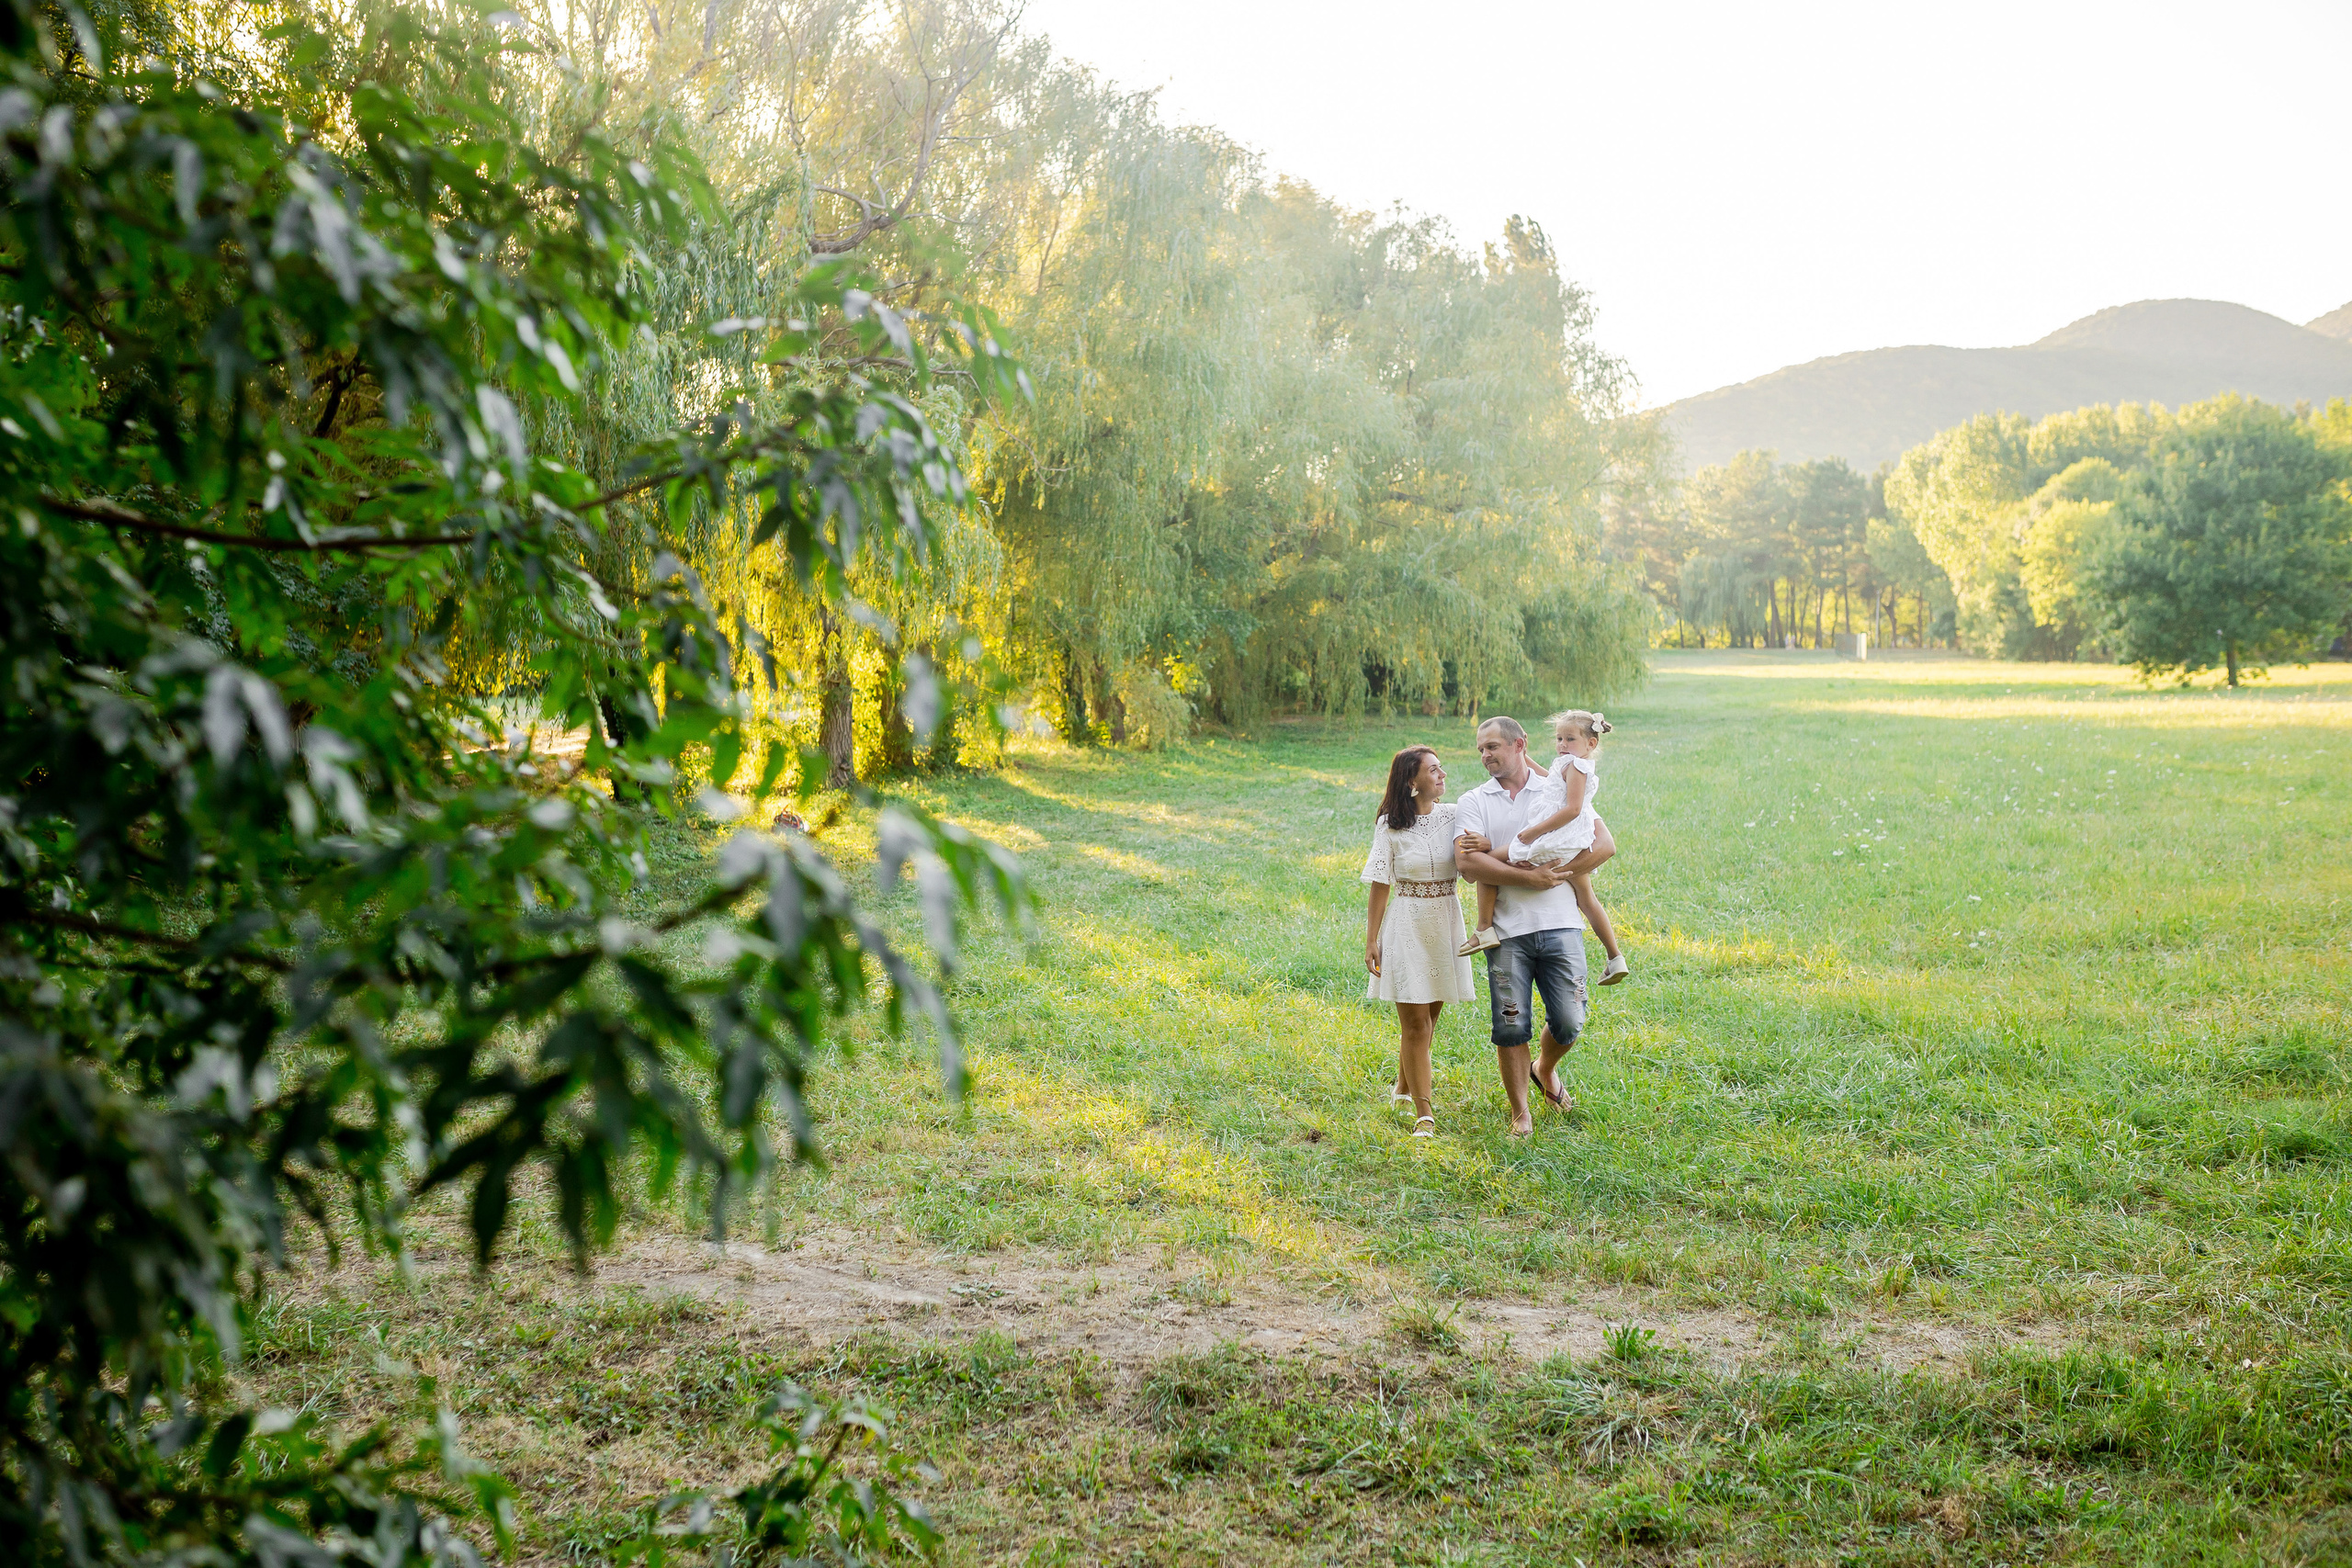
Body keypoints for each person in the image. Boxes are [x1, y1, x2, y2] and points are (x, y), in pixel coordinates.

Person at [1453, 716, 1615, 1136]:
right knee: (1511, 1025)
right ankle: (1520, 1113)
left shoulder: (1557, 786)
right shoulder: (1474, 801)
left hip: (1561, 924)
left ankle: (1544, 1067)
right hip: (1506, 933)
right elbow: (1469, 866)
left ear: (1520, 744)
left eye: (1493, 747)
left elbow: (1604, 844)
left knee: (1570, 1019)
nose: (1485, 755)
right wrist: (1529, 877)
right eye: (1481, 749)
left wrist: (1555, 874)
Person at [1459, 710, 1629, 985]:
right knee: (1587, 898)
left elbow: (1573, 809)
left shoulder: (1576, 767)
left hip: (1555, 838)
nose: (1562, 744)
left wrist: (1534, 832)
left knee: (1491, 860)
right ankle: (1615, 956)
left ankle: (1484, 928)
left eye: (1570, 739)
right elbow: (1549, 779)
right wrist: (1522, 755)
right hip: (1574, 841)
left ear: (1591, 743)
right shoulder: (1572, 765)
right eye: (1559, 738)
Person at [1361, 745, 1477, 1139]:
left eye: (1441, 768)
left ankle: (1402, 1087)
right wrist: (1371, 939)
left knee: (1428, 1022)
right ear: (1412, 780)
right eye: (1433, 770)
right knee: (1415, 1024)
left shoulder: (1456, 815)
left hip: (1446, 923)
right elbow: (1380, 883)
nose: (1443, 775)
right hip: (1406, 924)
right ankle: (1424, 1114)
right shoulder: (1389, 825)